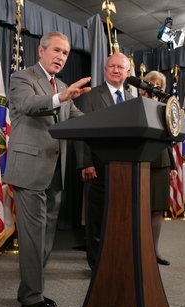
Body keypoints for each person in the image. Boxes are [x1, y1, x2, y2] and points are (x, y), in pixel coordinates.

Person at [3, 31, 91, 307]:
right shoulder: (22, 78)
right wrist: (61, 96)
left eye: (65, 53)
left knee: (46, 238)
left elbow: (77, 118)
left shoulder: (64, 86)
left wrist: (109, 120)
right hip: (28, 169)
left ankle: (29, 288)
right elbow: (29, 105)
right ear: (41, 51)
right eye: (56, 50)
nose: (61, 57)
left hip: (55, 172)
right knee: (32, 237)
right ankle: (32, 297)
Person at [74, 53, 133, 270]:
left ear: (128, 72)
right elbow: (82, 130)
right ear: (105, 70)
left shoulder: (130, 98)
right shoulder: (91, 95)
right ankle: (96, 266)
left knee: (118, 217)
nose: (116, 70)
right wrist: (85, 162)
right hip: (97, 167)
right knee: (97, 220)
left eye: (121, 67)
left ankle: (114, 259)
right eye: (112, 66)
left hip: (124, 168)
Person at [140, 70, 175, 266]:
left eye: (159, 84)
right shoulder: (135, 103)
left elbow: (169, 139)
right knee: (140, 208)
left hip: (161, 162)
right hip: (140, 160)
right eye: (152, 83)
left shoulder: (166, 107)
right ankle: (139, 249)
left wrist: (173, 165)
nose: (155, 87)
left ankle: (154, 250)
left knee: (157, 210)